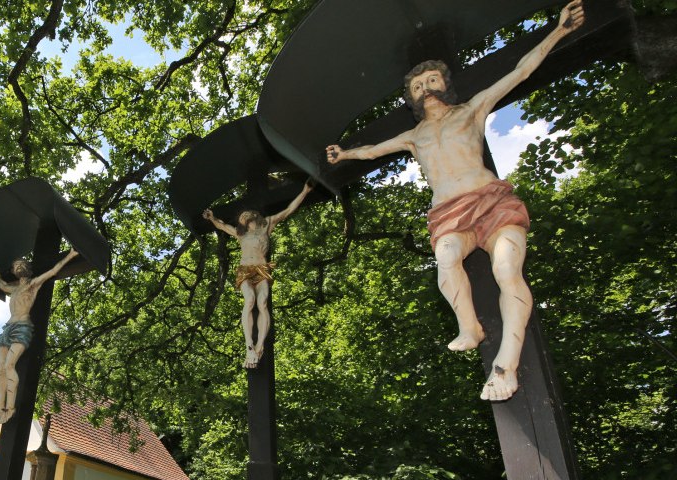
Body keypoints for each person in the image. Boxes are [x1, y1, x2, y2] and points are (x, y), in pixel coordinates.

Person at [326, 0, 585, 401]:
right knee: (445, 259)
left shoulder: (472, 109)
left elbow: (520, 71)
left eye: (431, 81)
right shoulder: (415, 137)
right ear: (410, 98)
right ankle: (470, 326)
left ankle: (506, 365)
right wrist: (344, 154)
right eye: (417, 86)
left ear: (444, 83)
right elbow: (373, 150)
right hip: (449, 214)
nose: (425, 89)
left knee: (505, 269)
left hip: (491, 202)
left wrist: (559, 31)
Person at [203, 182, 314, 368]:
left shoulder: (267, 225)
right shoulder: (240, 234)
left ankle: (259, 345)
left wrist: (305, 191)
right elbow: (222, 226)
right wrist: (212, 218)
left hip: (262, 269)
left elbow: (289, 209)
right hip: (245, 269)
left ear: (255, 215)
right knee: (250, 300)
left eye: (247, 214)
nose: (244, 216)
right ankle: (248, 346)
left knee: (262, 303)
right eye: (241, 216)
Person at [0, 249, 80, 424]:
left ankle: (10, 409)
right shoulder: (14, 288)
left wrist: (70, 255)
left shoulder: (33, 284)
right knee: (0, 369)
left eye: (20, 264)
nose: (17, 267)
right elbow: (3, 286)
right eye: (15, 266)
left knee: (10, 365)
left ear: (26, 267)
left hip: (22, 327)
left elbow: (53, 272)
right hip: (8, 327)